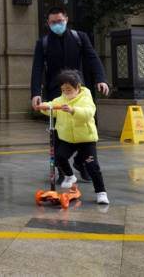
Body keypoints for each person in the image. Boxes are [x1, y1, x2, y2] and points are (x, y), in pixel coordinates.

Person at [30, 7, 109, 182]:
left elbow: (92, 58)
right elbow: (37, 68)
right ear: (48, 23)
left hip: (79, 91)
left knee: (86, 128)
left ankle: (82, 163)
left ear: (66, 19)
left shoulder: (79, 37)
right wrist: (36, 92)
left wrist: (101, 79)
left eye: (59, 21)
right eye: (53, 22)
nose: (57, 24)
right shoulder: (43, 43)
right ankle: (63, 170)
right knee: (59, 132)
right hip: (56, 92)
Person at [38, 69, 109, 204]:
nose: (66, 92)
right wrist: (43, 107)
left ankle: (101, 192)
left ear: (78, 87)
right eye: (63, 90)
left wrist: (73, 110)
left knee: (92, 166)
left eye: (69, 90)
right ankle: (70, 176)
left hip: (86, 139)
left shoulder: (86, 98)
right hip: (68, 139)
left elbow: (88, 113)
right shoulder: (61, 99)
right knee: (59, 156)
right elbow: (52, 106)